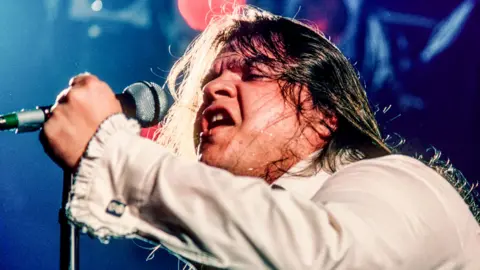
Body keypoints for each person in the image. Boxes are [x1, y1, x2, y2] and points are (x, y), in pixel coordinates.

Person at [40, 5, 480, 270]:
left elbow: (320, 259)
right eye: (210, 80)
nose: (215, 88)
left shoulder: (397, 181)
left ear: (323, 117)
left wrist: (113, 152)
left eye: (252, 74)